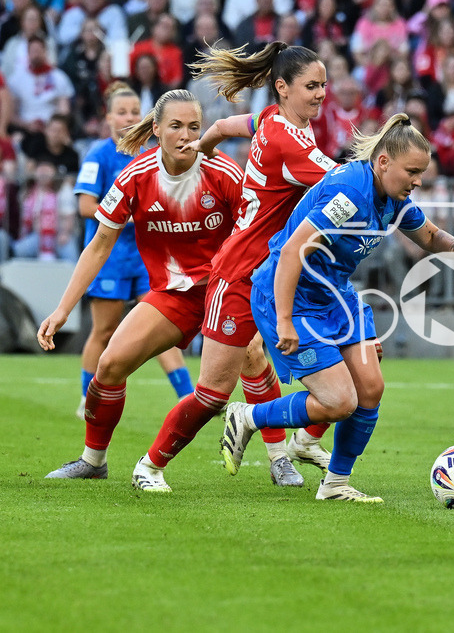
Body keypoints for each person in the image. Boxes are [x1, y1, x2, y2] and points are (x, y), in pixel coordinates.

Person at [218, 113, 454, 502]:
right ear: (382, 162)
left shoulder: (393, 198)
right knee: (339, 401)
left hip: (336, 296)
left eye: (421, 173)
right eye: (412, 172)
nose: (417, 181)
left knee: (371, 390)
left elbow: (428, 234)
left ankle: (336, 485)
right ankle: (247, 417)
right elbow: (294, 250)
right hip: (291, 297)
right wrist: (281, 321)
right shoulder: (350, 195)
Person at [129, 42, 349, 493]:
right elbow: (344, 182)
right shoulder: (289, 141)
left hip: (275, 274)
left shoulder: (271, 119)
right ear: (283, 88)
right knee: (213, 392)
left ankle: (300, 444)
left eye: (324, 85)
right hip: (240, 275)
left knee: (349, 356)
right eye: (312, 86)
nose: (321, 94)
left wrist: (207, 143)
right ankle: (149, 467)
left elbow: (230, 124)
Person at [38, 89, 244, 484]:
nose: (186, 136)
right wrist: (63, 309)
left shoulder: (224, 172)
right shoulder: (135, 174)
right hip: (173, 294)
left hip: (227, 289)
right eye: (176, 126)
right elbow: (98, 244)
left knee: (251, 359)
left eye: (194, 127)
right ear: (156, 130)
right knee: (110, 365)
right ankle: (93, 461)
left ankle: (278, 457)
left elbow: (257, 234)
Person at [72, 83, 193, 420]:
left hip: (145, 257)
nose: (128, 117)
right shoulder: (99, 154)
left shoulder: (150, 154)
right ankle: (87, 398)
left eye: (133, 111)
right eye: (121, 111)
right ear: (107, 117)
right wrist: (123, 214)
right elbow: (85, 206)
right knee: (105, 331)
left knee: (161, 325)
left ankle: (188, 397)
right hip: (108, 257)